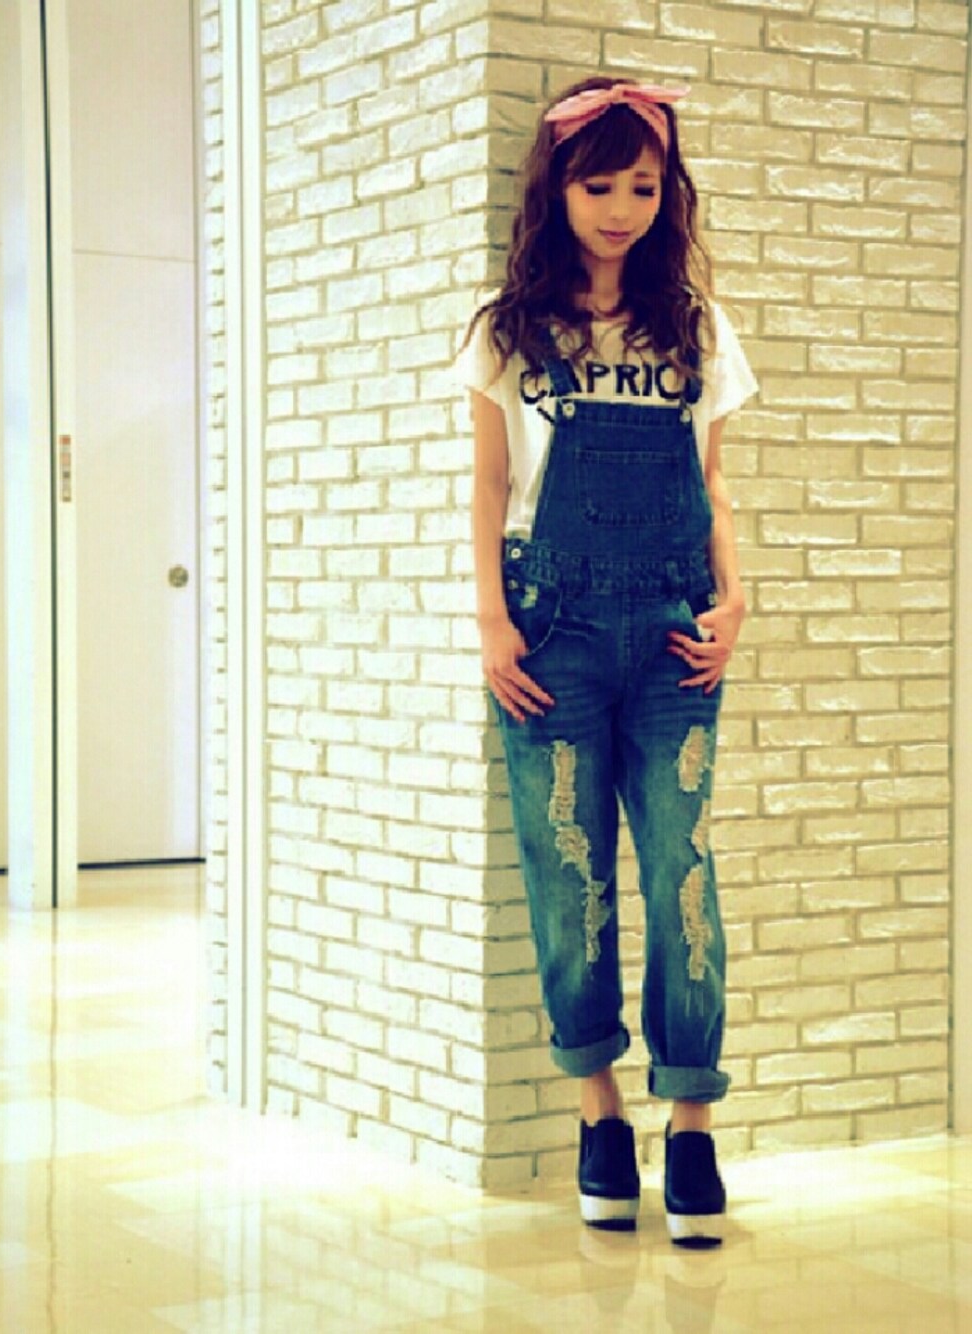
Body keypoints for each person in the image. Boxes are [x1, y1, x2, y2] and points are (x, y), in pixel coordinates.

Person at [456, 76, 757, 1246]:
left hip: (675, 629)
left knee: (683, 869)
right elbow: (490, 487)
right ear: (558, 189)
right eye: (600, 186)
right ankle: (598, 1111)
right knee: (568, 872)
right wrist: (492, 622)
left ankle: (691, 1123)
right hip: (552, 630)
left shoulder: (694, 327)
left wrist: (736, 596)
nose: (622, 209)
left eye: (643, 186)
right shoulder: (509, 330)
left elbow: (713, 481)